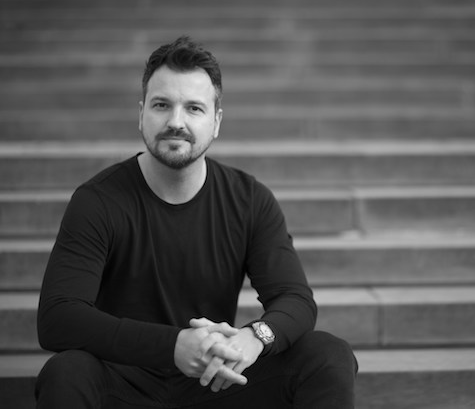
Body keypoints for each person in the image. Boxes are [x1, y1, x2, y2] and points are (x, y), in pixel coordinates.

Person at [35, 36, 358, 408]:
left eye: (193, 108)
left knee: (326, 354)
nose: (176, 121)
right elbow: (58, 317)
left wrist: (254, 337)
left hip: (216, 381)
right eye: (161, 105)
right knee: (66, 371)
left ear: (216, 121)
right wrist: (172, 346)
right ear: (141, 113)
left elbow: (296, 299)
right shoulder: (98, 201)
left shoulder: (249, 200)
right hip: (123, 384)